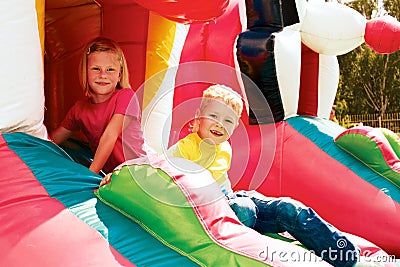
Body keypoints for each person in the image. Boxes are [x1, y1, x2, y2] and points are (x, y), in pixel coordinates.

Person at [166, 84, 377, 267]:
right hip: (211, 209)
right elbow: (167, 181)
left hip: (233, 197)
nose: (220, 124)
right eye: (213, 116)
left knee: (289, 208)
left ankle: (350, 258)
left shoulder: (224, 147)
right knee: (244, 210)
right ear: (198, 117)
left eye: (228, 121)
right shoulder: (182, 150)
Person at [50, 37, 146, 174]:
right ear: (85, 72)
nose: (103, 75)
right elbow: (53, 140)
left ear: (119, 75)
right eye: (96, 69)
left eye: (110, 70)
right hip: (111, 175)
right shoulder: (79, 110)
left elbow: (110, 135)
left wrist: (91, 174)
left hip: (137, 169)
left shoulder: (126, 96)